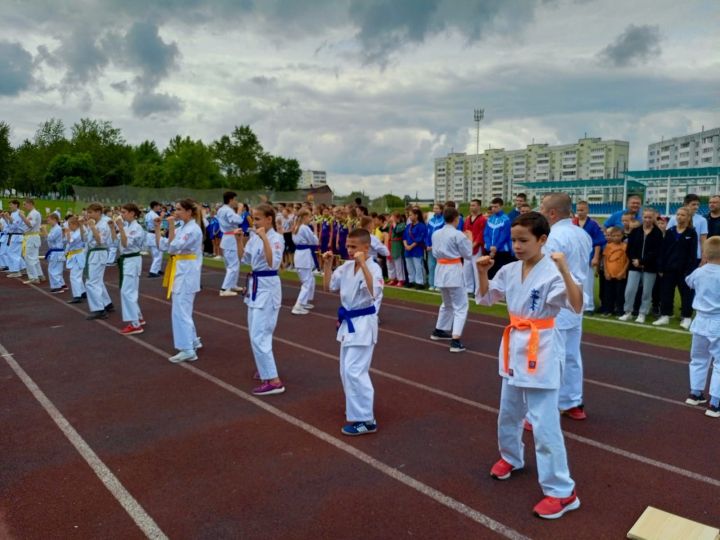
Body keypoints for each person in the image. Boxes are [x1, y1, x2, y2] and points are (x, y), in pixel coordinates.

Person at [475, 212, 582, 520]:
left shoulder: (552, 270)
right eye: (514, 240)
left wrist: (564, 270)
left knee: (544, 424)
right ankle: (511, 457)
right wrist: (482, 272)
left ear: (542, 240)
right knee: (508, 411)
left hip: (543, 348)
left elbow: (576, 304)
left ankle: (563, 492)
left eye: (524, 240)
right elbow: (484, 299)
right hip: (513, 348)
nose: (517, 246)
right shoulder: (509, 270)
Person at [322, 228, 384, 436]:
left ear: (366, 248)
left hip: (364, 323)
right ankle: (356, 411)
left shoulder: (374, 268)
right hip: (348, 323)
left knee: (355, 371)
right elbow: (327, 287)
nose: (349, 250)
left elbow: (374, 292)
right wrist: (328, 265)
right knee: (345, 371)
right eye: (348, 246)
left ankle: (367, 420)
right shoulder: (346, 267)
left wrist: (364, 264)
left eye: (354, 247)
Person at [541, 193, 592, 421]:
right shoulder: (582, 234)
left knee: (553, 355)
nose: (540, 211)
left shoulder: (553, 237)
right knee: (572, 354)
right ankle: (572, 402)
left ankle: (545, 409)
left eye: (543, 208)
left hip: (560, 299)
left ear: (552, 213)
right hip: (577, 298)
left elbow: (545, 271)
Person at [236, 203, 286, 395]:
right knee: (254, 332)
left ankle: (274, 380)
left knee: (261, 334)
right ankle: (264, 368)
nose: (254, 222)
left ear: (269, 219)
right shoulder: (255, 237)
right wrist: (240, 241)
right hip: (255, 287)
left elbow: (273, 263)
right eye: (253, 218)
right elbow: (244, 260)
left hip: (268, 287)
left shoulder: (276, 238)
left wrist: (264, 237)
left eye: (257, 219)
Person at [156, 200, 203, 363]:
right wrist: (160, 229)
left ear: (189, 212)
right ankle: (193, 340)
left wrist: (170, 228)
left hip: (186, 272)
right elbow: (165, 245)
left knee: (180, 310)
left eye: (179, 209)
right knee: (183, 308)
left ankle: (187, 349)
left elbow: (173, 247)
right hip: (182, 270)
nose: (175, 212)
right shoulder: (183, 227)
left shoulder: (192, 229)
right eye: (175, 209)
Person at [684, 236, 720, 417]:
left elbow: (689, 282)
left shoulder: (699, 272)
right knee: (719, 363)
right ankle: (715, 403)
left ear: (705, 254)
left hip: (700, 321)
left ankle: (695, 392)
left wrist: (702, 265)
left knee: (698, 358)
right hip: (717, 321)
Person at [430, 206, 473, 353]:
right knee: (461, 306)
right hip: (453, 270)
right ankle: (455, 341)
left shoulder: (436, 233)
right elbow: (468, 254)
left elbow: (435, 252)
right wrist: (470, 239)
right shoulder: (458, 235)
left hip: (441, 269)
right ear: (456, 219)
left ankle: (439, 330)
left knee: (447, 302)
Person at [653, 207, 698, 328]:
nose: (679, 217)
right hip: (668, 269)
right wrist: (661, 267)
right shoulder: (670, 231)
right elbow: (663, 251)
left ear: (688, 217)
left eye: (683, 215)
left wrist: (690, 271)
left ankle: (687, 318)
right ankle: (665, 316)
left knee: (686, 294)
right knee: (666, 293)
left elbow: (692, 254)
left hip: (684, 271)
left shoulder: (691, 233)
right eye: (678, 214)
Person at [619, 209, 662, 323]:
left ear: (653, 218)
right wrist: (635, 260)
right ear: (642, 218)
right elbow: (630, 249)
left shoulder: (657, 233)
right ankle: (628, 312)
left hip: (650, 267)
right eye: (645, 217)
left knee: (646, 292)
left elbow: (656, 251)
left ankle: (642, 313)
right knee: (630, 290)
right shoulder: (636, 231)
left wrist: (642, 261)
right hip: (634, 266)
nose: (647, 220)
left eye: (650, 217)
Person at [115, 203, 146, 335]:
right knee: (130, 290)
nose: (122, 215)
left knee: (126, 292)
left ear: (133, 213)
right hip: (127, 260)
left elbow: (126, 243)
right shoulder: (128, 227)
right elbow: (114, 242)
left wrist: (121, 228)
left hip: (132, 259)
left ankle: (135, 324)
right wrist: (114, 228)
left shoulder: (136, 228)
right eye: (121, 212)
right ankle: (138, 316)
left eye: (124, 212)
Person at [82, 203, 114, 320]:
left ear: (98, 212)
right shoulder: (95, 223)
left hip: (98, 253)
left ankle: (99, 309)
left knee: (91, 282)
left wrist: (92, 227)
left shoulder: (103, 225)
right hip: (95, 253)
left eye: (90, 212)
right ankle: (107, 304)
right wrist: (85, 226)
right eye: (88, 212)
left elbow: (100, 241)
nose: (88, 214)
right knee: (98, 281)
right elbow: (85, 239)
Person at [573, 201, 605, 314]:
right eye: (578, 210)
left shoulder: (593, 224)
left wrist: (596, 257)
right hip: (574, 259)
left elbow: (598, 242)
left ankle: (589, 306)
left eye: (583, 210)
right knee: (574, 283)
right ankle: (575, 304)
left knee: (587, 283)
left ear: (587, 210)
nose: (580, 212)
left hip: (588, 258)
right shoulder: (572, 223)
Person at [217, 191, 246, 297]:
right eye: (235, 200)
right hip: (230, 238)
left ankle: (232, 284)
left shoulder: (221, 209)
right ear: (231, 200)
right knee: (233, 265)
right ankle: (224, 289)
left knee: (234, 264)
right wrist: (239, 210)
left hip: (227, 237)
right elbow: (237, 220)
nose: (236, 202)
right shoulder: (228, 211)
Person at [291, 208, 319, 315]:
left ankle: (305, 301)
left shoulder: (296, 227)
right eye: (309, 216)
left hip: (300, 255)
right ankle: (298, 305)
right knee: (307, 282)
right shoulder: (304, 228)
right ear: (304, 217)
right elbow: (315, 241)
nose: (310, 218)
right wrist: (315, 229)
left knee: (310, 279)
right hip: (304, 256)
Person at [667, 194, 708, 266]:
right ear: (686, 204)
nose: (696, 207)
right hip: (674, 256)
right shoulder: (674, 218)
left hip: (695, 256)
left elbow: (703, 241)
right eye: (693, 204)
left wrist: (704, 257)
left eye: (698, 204)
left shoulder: (702, 220)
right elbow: (667, 238)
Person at [600, 228, 629, 316]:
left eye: (618, 236)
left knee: (620, 293)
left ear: (622, 236)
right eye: (614, 236)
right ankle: (608, 310)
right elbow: (605, 259)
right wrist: (606, 272)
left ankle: (620, 310)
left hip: (620, 275)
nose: (616, 238)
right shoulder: (608, 246)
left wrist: (623, 272)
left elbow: (628, 260)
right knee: (608, 293)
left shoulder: (625, 246)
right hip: (609, 274)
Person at [484, 197, 512, 279]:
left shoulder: (506, 219)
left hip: (502, 250)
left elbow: (504, 235)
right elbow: (486, 234)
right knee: (489, 272)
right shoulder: (490, 219)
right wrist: (489, 246)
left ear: (501, 206)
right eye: (492, 206)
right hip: (490, 249)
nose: (493, 209)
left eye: (496, 207)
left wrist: (496, 247)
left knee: (500, 272)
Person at [463, 199, 487, 294]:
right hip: (467, 247)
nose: (471, 207)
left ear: (479, 206)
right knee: (467, 270)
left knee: (477, 270)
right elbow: (465, 232)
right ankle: (469, 289)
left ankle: (478, 290)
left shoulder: (483, 219)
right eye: (470, 205)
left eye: (473, 205)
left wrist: (474, 244)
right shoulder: (467, 219)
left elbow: (481, 234)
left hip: (477, 248)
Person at [19, 198, 45, 285]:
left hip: (31, 237)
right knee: (34, 257)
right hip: (32, 237)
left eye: (25, 204)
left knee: (29, 258)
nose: (24, 206)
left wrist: (22, 216)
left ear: (30, 204)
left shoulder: (34, 213)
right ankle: (39, 275)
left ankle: (34, 277)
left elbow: (30, 224)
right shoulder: (33, 213)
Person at [64, 216, 87, 304]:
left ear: (74, 224)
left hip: (78, 255)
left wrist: (67, 233)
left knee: (74, 276)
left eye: (69, 225)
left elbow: (71, 242)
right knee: (77, 275)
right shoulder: (75, 232)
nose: (68, 227)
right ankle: (82, 292)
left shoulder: (78, 232)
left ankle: (77, 296)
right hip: (74, 255)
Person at [403, 207, 427, 288]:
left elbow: (420, 238)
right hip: (408, 250)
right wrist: (406, 245)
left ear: (416, 215)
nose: (409, 217)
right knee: (409, 267)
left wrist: (411, 246)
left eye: (411, 215)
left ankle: (420, 282)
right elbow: (404, 237)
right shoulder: (408, 226)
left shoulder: (422, 226)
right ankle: (411, 281)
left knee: (418, 266)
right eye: (409, 215)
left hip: (417, 250)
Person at [4, 200, 27, 278]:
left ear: (16, 205)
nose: (10, 206)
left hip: (17, 235)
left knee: (12, 253)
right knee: (14, 253)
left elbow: (15, 226)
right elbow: (10, 226)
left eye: (11, 205)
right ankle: (23, 268)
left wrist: (9, 218)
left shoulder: (19, 213)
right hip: (14, 236)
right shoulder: (13, 214)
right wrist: (6, 218)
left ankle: (16, 271)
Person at [44, 213, 67, 293]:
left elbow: (50, 238)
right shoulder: (54, 228)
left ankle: (57, 287)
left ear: (54, 220)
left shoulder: (57, 228)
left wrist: (44, 231)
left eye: (49, 220)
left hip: (57, 252)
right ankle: (62, 284)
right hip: (56, 252)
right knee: (58, 269)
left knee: (52, 269)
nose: (48, 221)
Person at [425, 204, 445, 292]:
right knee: (431, 266)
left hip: (439, 248)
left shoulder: (443, 220)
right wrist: (427, 245)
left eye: (437, 208)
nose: (435, 210)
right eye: (434, 208)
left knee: (439, 266)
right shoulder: (431, 220)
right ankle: (432, 284)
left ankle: (438, 284)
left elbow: (443, 235)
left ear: (441, 210)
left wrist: (435, 246)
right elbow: (427, 234)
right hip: (430, 248)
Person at [145, 201, 165, 277]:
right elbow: (157, 221)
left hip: (151, 234)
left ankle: (157, 269)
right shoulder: (153, 214)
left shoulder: (148, 214)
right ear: (155, 206)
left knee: (155, 254)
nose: (159, 207)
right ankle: (153, 271)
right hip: (154, 234)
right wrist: (162, 217)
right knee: (158, 255)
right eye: (158, 206)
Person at [387, 211, 406, 287]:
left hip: (397, 245)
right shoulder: (391, 225)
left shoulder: (402, 225)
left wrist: (394, 223)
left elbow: (397, 231)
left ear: (396, 218)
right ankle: (393, 278)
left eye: (392, 217)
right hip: (391, 244)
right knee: (390, 263)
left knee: (398, 263)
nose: (391, 218)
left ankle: (401, 279)